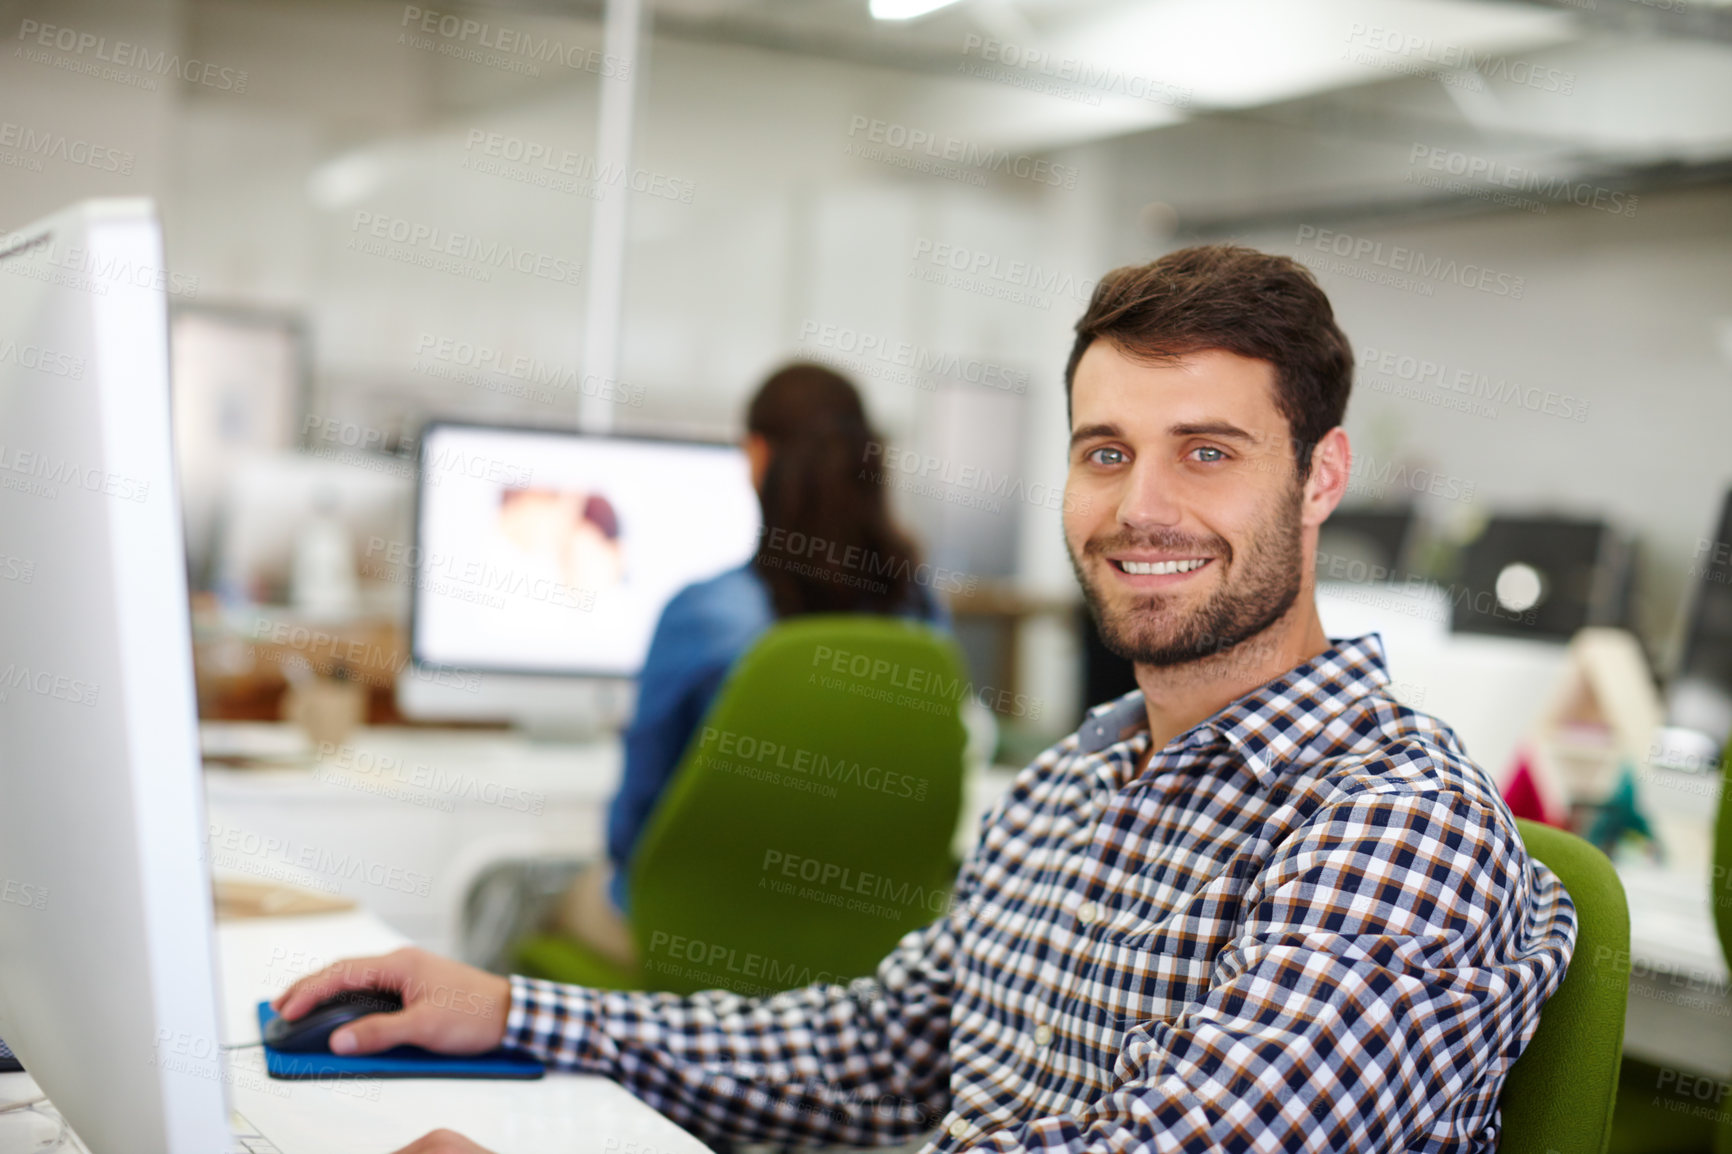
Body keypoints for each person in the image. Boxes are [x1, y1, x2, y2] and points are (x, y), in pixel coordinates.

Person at [274, 245, 1576, 1154]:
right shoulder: (1072, 783)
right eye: (1105, 451)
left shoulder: (1394, 823)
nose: (1143, 507)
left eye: (1211, 452)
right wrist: (508, 1010)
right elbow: (868, 1049)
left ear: (1321, 475)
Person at [552, 362, 948, 967]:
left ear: (755, 457)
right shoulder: (921, 615)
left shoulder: (703, 614)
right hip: (864, 953)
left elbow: (632, 833)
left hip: (691, 941)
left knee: (533, 899)